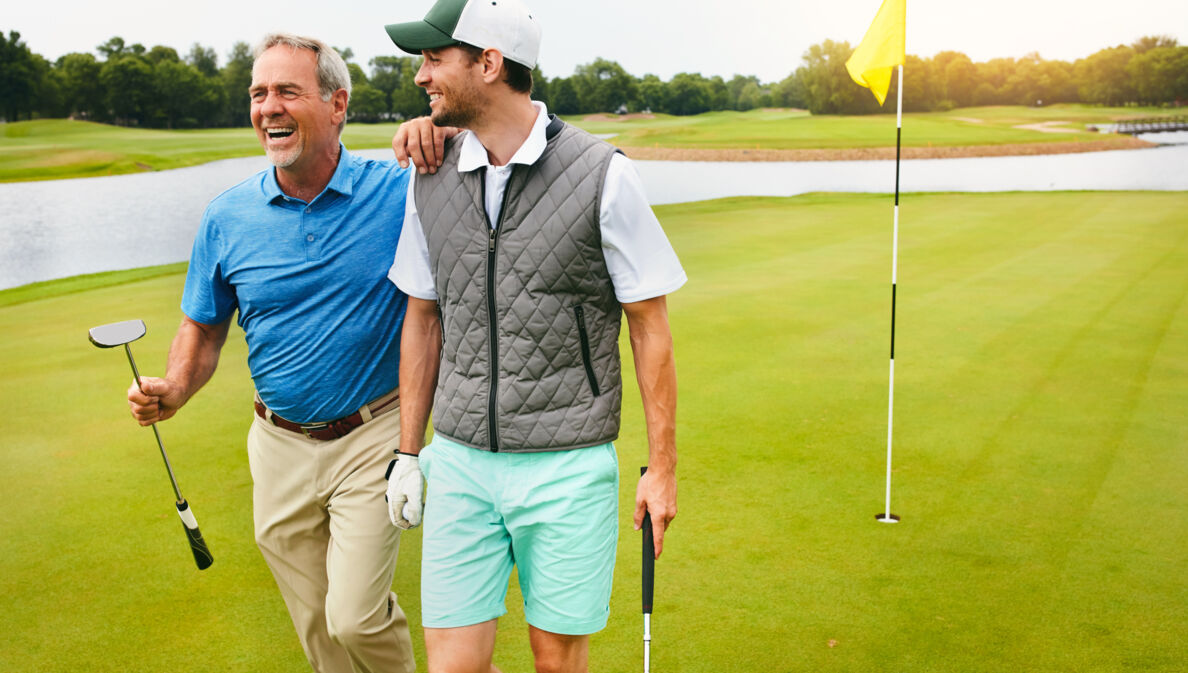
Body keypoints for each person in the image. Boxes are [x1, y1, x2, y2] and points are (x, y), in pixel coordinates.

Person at [381, 1, 685, 671]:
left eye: (434, 59)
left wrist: (661, 469)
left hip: (568, 463)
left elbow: (649, 327)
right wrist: (408, 453)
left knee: (556, 662)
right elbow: (422, 317)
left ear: (489, 64)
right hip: (458, 459)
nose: (420, 76)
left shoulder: (604, 175)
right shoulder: (428, 174)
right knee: (454, 665)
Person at [126, 33, 416, 673]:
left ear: (337, 104)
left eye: (288, 90)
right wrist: (174, 387)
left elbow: (487, 160)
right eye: (259, 93)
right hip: (277, 442)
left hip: (374, 434)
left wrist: (435, 127)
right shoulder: (227, 216)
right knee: (317, 629)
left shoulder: (399, 195)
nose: (269, 107)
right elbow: (202, 327)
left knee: (356, 616)